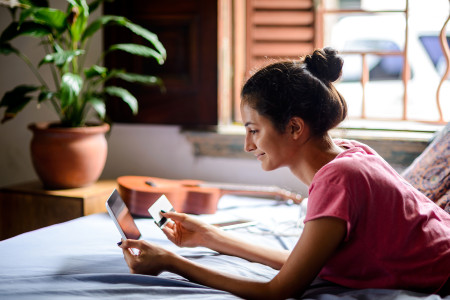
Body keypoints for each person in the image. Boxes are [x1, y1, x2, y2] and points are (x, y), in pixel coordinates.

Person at [119, 47, 450, 299]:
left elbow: (280, 290)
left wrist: (171, 262)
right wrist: (211, 237)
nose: (248, 146)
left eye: (254, 130)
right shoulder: (350, 152)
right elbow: (300, 264)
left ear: (294, 127)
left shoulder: (339, 179)